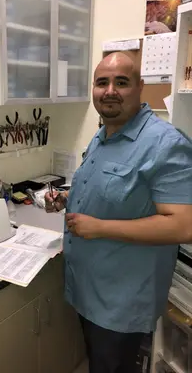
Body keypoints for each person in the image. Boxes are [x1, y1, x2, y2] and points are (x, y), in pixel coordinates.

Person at [45, 52, 192, 373]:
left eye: (121, 82)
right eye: (102, 82)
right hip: (88, 288)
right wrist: (68, 198)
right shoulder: (104, 135)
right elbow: (112, 190)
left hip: (121, 301)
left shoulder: (165, 144)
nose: (110, 90)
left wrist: (100, 228)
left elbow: (183, 225)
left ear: (139, 88)